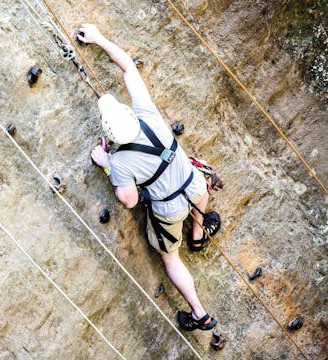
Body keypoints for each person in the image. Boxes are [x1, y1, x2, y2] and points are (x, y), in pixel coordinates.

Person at [78, 24, 221, 331]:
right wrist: (99, 38)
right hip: (193, 185)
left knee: (171, 259)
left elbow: (129, 201)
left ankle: (199, 313)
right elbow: (128, 67)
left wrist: (106, 163)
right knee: (200, 192)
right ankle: (197, 234)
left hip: (169, 209)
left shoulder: (120, 162)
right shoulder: (146, 113)